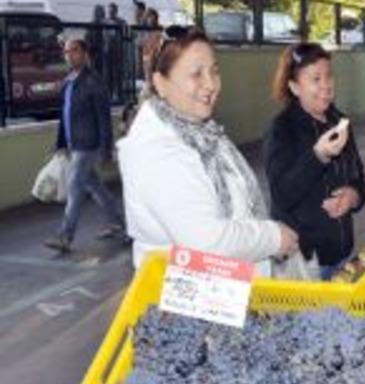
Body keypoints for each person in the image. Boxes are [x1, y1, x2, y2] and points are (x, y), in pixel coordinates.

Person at [118, 29, 298, 276]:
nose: (211, 84)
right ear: (160, 83)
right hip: (191, 303)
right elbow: (207, 243)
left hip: (224, 295)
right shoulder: (158, 152)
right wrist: (273, 237)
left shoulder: (202, 133)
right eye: (196, 74)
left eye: (214, 71)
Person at [264, 43, 365, 280]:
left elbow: (358, 175)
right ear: (294, 86)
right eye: (316, 78)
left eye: (329, 76)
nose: (326, 85)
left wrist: (353, 196)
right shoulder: (282, 130)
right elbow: (282, 194)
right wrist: (318, 156)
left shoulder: (339, 121)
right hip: (305, 265)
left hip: (342, 256)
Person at [43, 40, 124, 253]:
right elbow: (66, 115)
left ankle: (65, 236)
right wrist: (61, 143)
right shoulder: (69, 81)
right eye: (66, 52)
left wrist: (106, 148)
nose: (69, 55)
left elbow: (104, 118)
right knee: (94, 186)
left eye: (74, 51)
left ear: (85, 53)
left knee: (75, 187)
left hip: (88, 145)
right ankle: (120, 222)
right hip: (74, 143)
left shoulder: (93, 82)